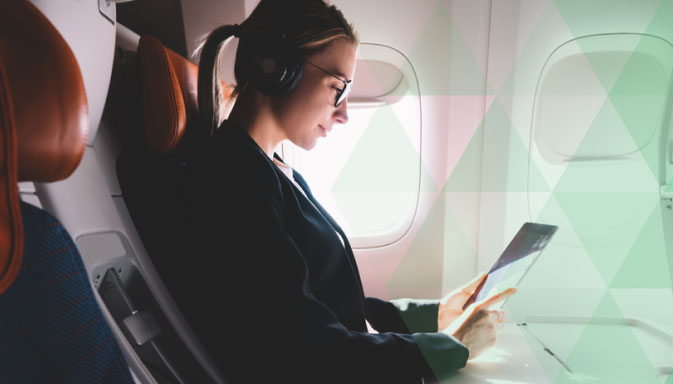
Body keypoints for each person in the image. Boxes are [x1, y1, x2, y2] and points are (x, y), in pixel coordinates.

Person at [169, 1, 517, 382]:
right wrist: (448, 346)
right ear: (277, 69)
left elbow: (324, 306)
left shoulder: (274, 170)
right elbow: (304, 348)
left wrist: (434, 313)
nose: (344, 112)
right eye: (337, 87)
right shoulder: (235, 182)